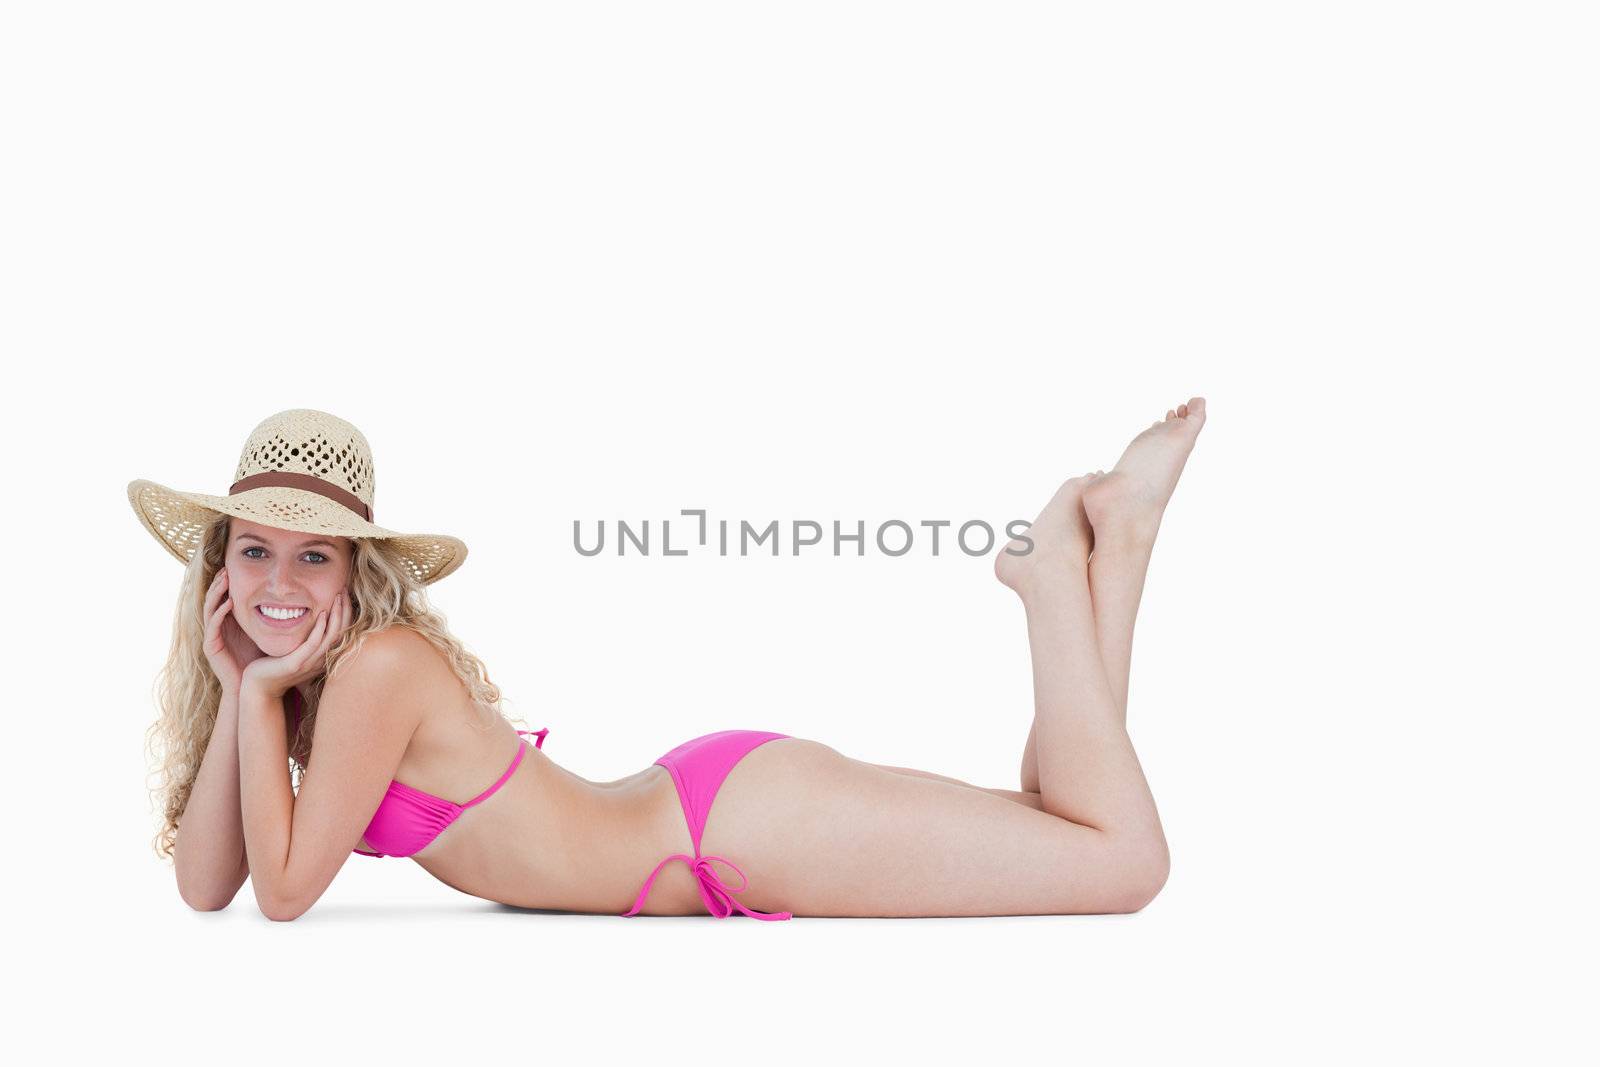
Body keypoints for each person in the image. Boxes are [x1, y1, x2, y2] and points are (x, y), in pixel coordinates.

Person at [131, 400, 1205, 921]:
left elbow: (282, 891)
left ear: (357, 568)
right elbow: (209, 885)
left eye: (314, 553)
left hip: (733, 831)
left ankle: (1052, 581)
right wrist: (239, 688)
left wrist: (261, 690)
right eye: (255, 548)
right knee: (1053, 816)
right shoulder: (306, 682)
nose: (281, 581)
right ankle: (1122, 547)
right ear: (218, 566)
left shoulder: (376, 670)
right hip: (719, 807)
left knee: (1119, 864)